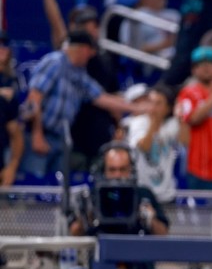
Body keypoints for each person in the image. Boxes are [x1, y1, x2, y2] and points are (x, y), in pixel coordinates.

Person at [19, 31, 144, 182]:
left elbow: (102, 98)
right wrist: (37, 135)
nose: (91, 55)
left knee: (57, 187)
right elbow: (34, 99)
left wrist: (140, 108)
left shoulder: (79, 73)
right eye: (90, 51)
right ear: (82, 49)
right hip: (40, 134)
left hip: (60, 140)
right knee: (33, 182)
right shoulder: (55, 62)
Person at [69, 142, 169, 269]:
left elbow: (163, 233)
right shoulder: (93, 196)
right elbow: (73, 233)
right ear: (103, 170)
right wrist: (86, 217)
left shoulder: (143, 194)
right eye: (112, 170)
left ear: (131, 170)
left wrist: (150, 218)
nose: (118, 176)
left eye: (123, 170)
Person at [175, 46, 212, 190]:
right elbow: (193, 119)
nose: (206, 68)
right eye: (200, 65)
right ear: (193, 70)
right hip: (199, 169)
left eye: (209, 64)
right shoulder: (188, 92)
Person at [125, 84, 180, 203]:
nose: (153, 107)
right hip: (142, 193)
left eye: (158, 103)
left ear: (168, 108)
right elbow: (144, 146)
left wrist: (182, 119)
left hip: (167, 194)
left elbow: (185, 141)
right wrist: (154, 122)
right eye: (150, 102)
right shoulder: (137, 123)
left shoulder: (172, 124)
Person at [0, 30, 22, 186]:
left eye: (4, 45)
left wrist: (12, 167)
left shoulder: (10, 83)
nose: (1, 49)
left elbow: (16, 133)